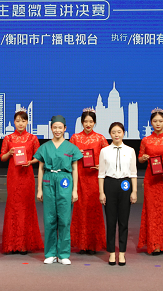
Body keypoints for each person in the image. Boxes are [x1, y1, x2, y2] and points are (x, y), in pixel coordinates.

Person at [35, 115, 83, 265]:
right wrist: (39, 189)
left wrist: (75, 190)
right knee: (49, 218)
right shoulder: (44, 147)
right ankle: (50, 253)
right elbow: (40, 168)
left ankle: (63, 254)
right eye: (54, 127)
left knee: (64, 218)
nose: (57, 130)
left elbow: (75, 169)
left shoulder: (71, 147)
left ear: (65, 129)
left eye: (60, 127)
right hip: (48, 180)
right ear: (51, 128)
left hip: (65, 181)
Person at [0, 108, 44, 254]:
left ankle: (25, 243)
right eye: (18, 121)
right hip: (13, 176)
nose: (20, 123)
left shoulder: (32, 138)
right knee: (13, 207)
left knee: (26, 207)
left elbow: (39, 157)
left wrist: (31, 162)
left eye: (23, 121)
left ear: (27, 122)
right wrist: (9, 153)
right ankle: (12, 244)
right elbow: (2, 157)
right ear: (14, 122)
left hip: (27, 176)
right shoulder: (8, 138)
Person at [137, 108, 163, 255]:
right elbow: (140, 158)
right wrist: (143, 158)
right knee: (151, 211)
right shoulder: (145, 140)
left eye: (160, 121)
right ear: (151, 123)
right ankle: (154, 244)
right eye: (155, 121)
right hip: (151, 180)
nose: (158, 123)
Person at [98, 122, 137, 266]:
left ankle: (122, 253)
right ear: (110, 134)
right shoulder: (104, 151)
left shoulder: (130, 150)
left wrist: (134, 191)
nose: (116, 134)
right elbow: (101, 173)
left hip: (125, 184)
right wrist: (101, 192)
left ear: (123, 133)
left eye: (119, 132)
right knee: (110, 221)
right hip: (110, 184)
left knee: (123, 221)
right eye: (113, 132)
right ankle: (111, 253)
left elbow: (133, 173)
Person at [69, 108, 107, 254]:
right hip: (79, 177)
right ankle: (82, 243)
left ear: (95, 122)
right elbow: (68, 156)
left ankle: (93, 244)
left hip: (94, 178)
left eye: (91, 122)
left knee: (93, 209)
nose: (88, 124)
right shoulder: (75, 138)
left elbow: (108, 157)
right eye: (85, 121)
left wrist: (101, 166)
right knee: (80, 209)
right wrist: (74, 156)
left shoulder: (100, 138)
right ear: (81, 122)